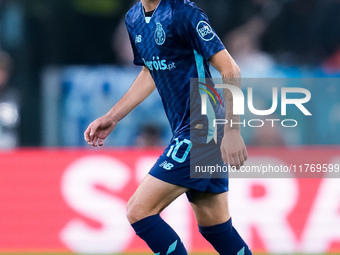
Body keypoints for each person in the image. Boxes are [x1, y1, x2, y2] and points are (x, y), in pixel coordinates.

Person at [84, 0, 251, 254]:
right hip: (189, 127)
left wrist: (232, 131)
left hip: (202, 126)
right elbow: (151, 71)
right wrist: (113, 116)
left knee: (139, 211)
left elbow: (230, 69)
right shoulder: (134, 19)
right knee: (215, 227)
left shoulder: (184, 13)